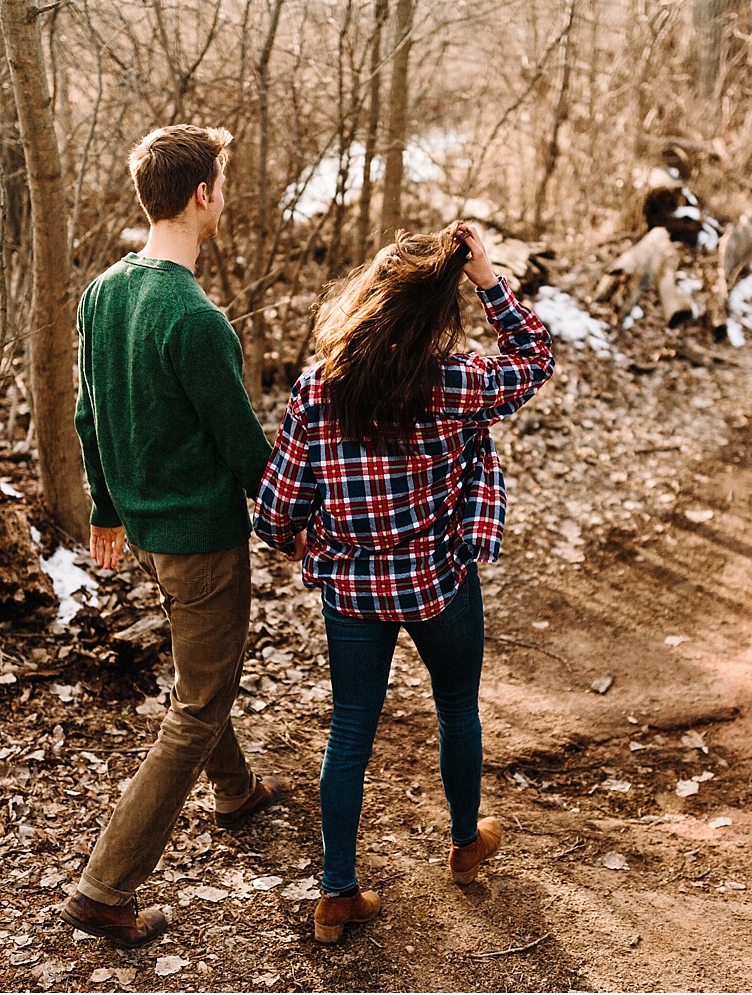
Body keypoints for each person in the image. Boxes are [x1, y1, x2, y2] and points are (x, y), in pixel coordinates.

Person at [253, 223, 554, 943]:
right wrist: (487, 279)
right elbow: (536, 357)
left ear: (371, 297)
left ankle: (336, 892)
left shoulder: (318, 388)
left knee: (349, 730)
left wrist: (301, 532)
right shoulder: (457, 383)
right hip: (439, 581)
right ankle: (463, 843)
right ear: (434, 311)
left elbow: (273, 511)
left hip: (352, 592)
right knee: (457, 707)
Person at [60, 124, 284, 948]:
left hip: (148, 528)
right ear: (202, 195)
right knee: (196, 705)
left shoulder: (104, 292)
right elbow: (245, 450)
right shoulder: (193, 319)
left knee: (203, 671)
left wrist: (107, 508)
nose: (225, 195)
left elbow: (88, 413)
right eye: (222, 181)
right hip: (197, 537)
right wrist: (300, 517)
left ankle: (235, 793)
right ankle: (105, 886)